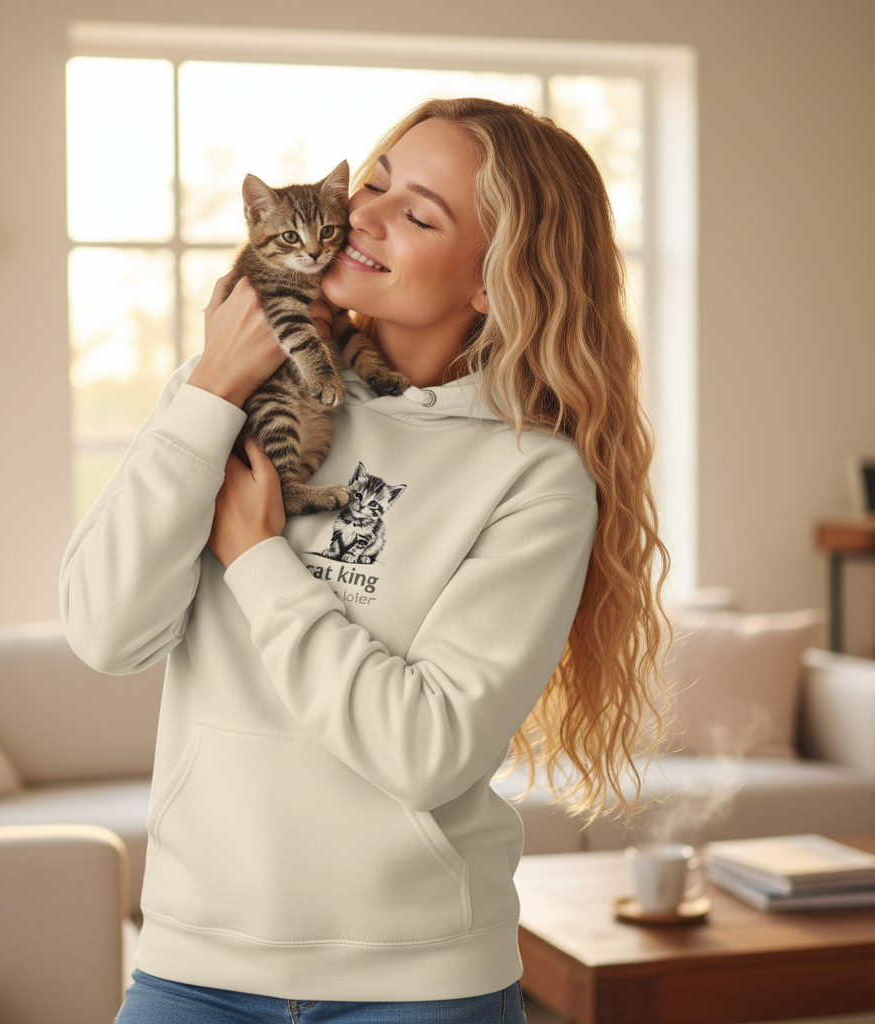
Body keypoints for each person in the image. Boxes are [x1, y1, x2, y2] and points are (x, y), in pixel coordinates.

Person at [60, 97, 670, 1024]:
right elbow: (105, 634)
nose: (365, 216)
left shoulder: (535, 478)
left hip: (421, 986)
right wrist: (210, 385)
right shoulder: (231, 393)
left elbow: (425, 750)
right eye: (376, 182)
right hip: (193, 966)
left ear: (494, 283)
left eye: (419, 214)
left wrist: (261, 558)